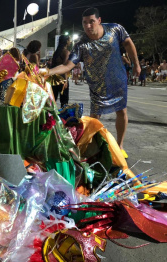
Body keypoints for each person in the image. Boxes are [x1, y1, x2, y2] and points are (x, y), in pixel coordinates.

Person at [46, 7, 141, 158]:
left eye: (91, 22)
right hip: (97, 85)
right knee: (94, 118)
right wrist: (48, 72)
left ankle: (120, 145)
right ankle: (91, 148)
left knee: (121, 111)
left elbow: (128, 43)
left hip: (117, 80)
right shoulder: (81, 44)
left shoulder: (115, 29)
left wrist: (136, 64)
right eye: (84, 23)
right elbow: (67, 65)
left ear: (99, 20)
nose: (88, 26)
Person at [51, 35, 71, 108]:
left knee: (53, 99)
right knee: (64, 101)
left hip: (54, 77)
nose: (70, 41)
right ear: (66, 41)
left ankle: (51, 117)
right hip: (62, 78)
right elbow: (65, 67)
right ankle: (62, 117)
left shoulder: (56, 52)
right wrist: (65, 80)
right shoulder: (66, 52)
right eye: (69, 40)